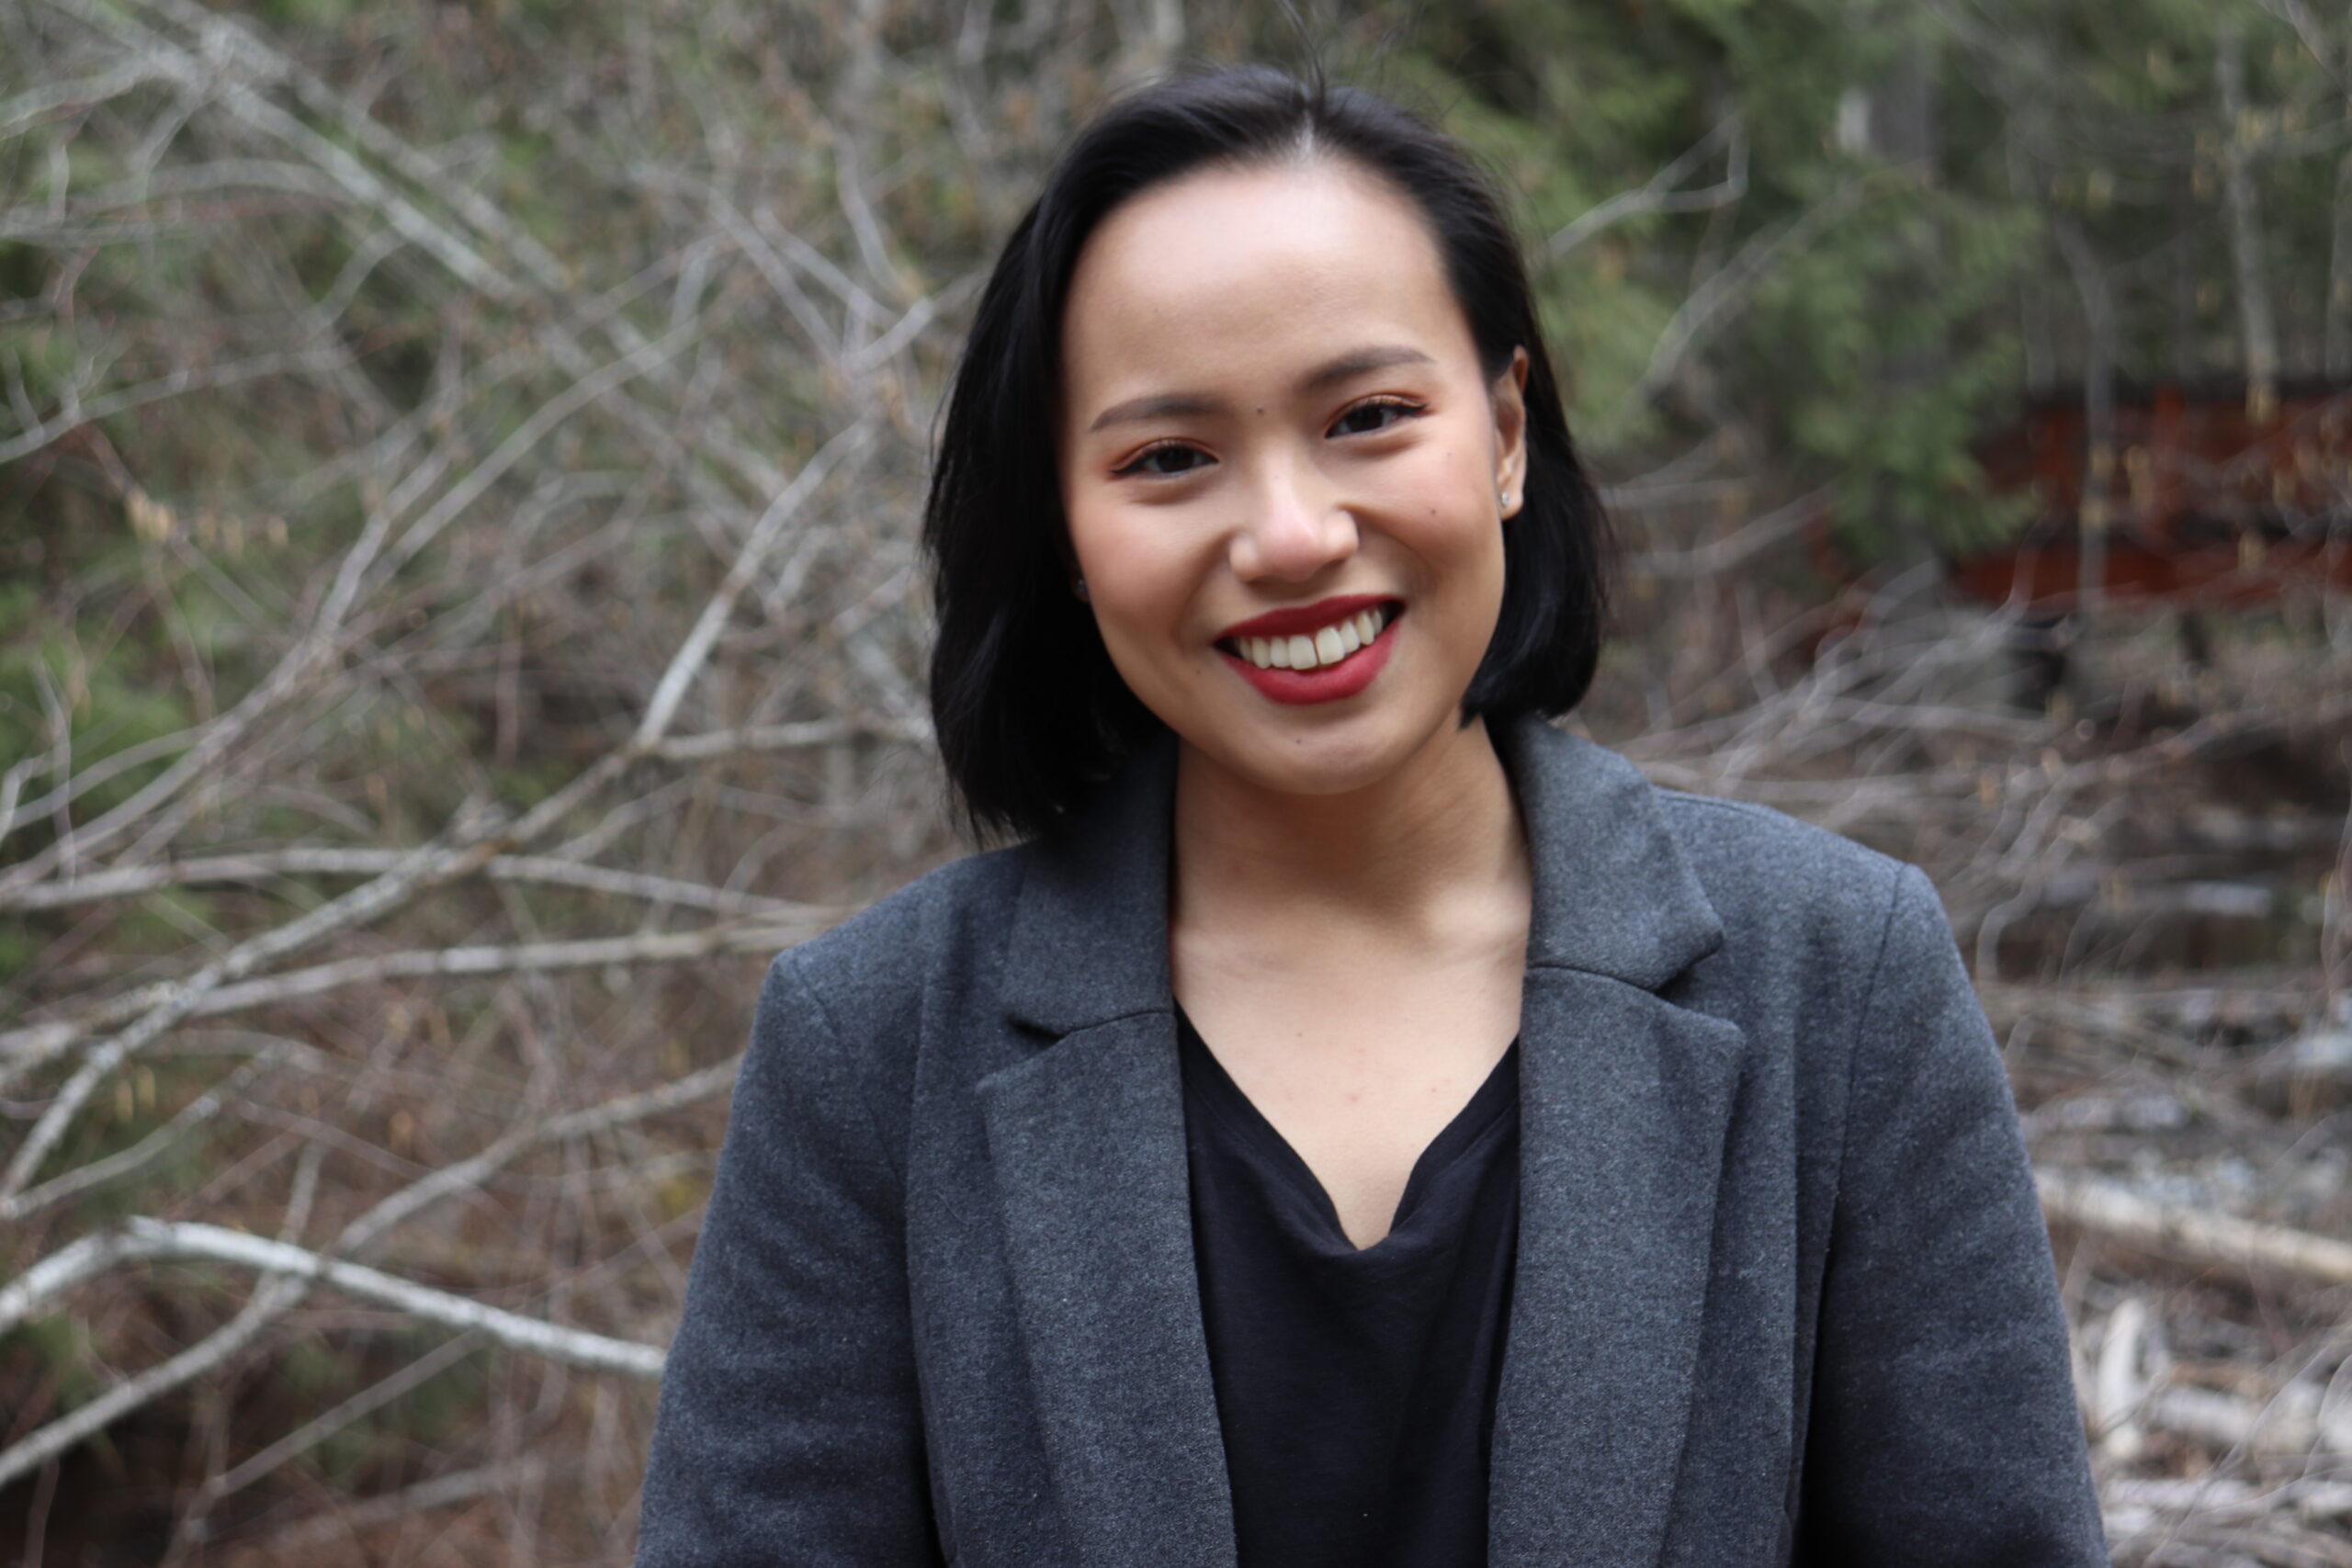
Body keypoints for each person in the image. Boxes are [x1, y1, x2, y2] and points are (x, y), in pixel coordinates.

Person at [633, 65, 2106, 1568]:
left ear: (1508, 431)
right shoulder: (874, 1047)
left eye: (1371, 416)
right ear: (1067, 533)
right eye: (1168, 458)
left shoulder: (1839, 983)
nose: (1291, 536)